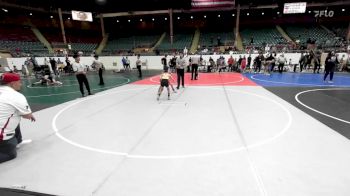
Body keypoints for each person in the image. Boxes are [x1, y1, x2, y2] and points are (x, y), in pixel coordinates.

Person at [0, 73, 36, 163]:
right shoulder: (16, 96)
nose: (21, 84)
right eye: (19, 82)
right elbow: (27, 115)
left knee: (13, 115)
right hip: (1, 137)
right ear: (12, 83)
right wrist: (27, 114)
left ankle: (18, 141)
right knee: (10, 154)